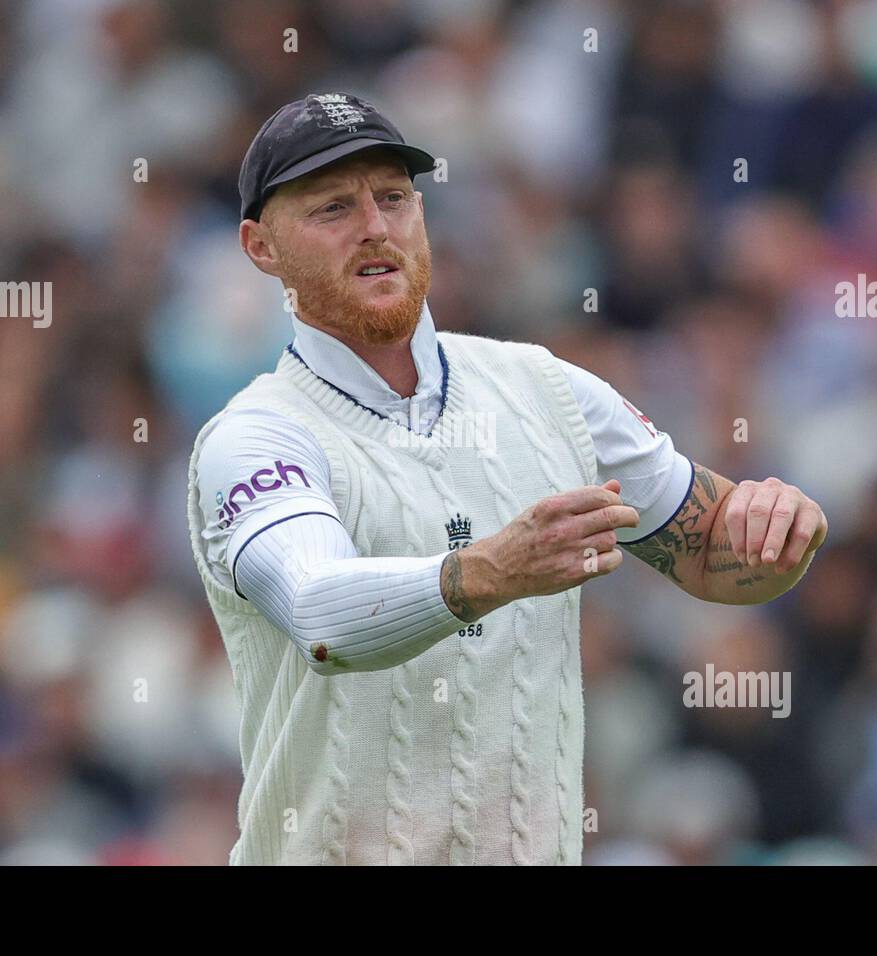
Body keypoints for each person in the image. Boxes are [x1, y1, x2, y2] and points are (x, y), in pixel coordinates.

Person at [186, 92, 828, 865]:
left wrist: (775, 529)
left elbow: (712, 556)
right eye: (331, 209)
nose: (375, 227)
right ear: (261, 247)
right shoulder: (255, 437)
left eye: (393, 198)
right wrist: (491, 572)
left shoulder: (546, 388)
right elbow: (322, 617)